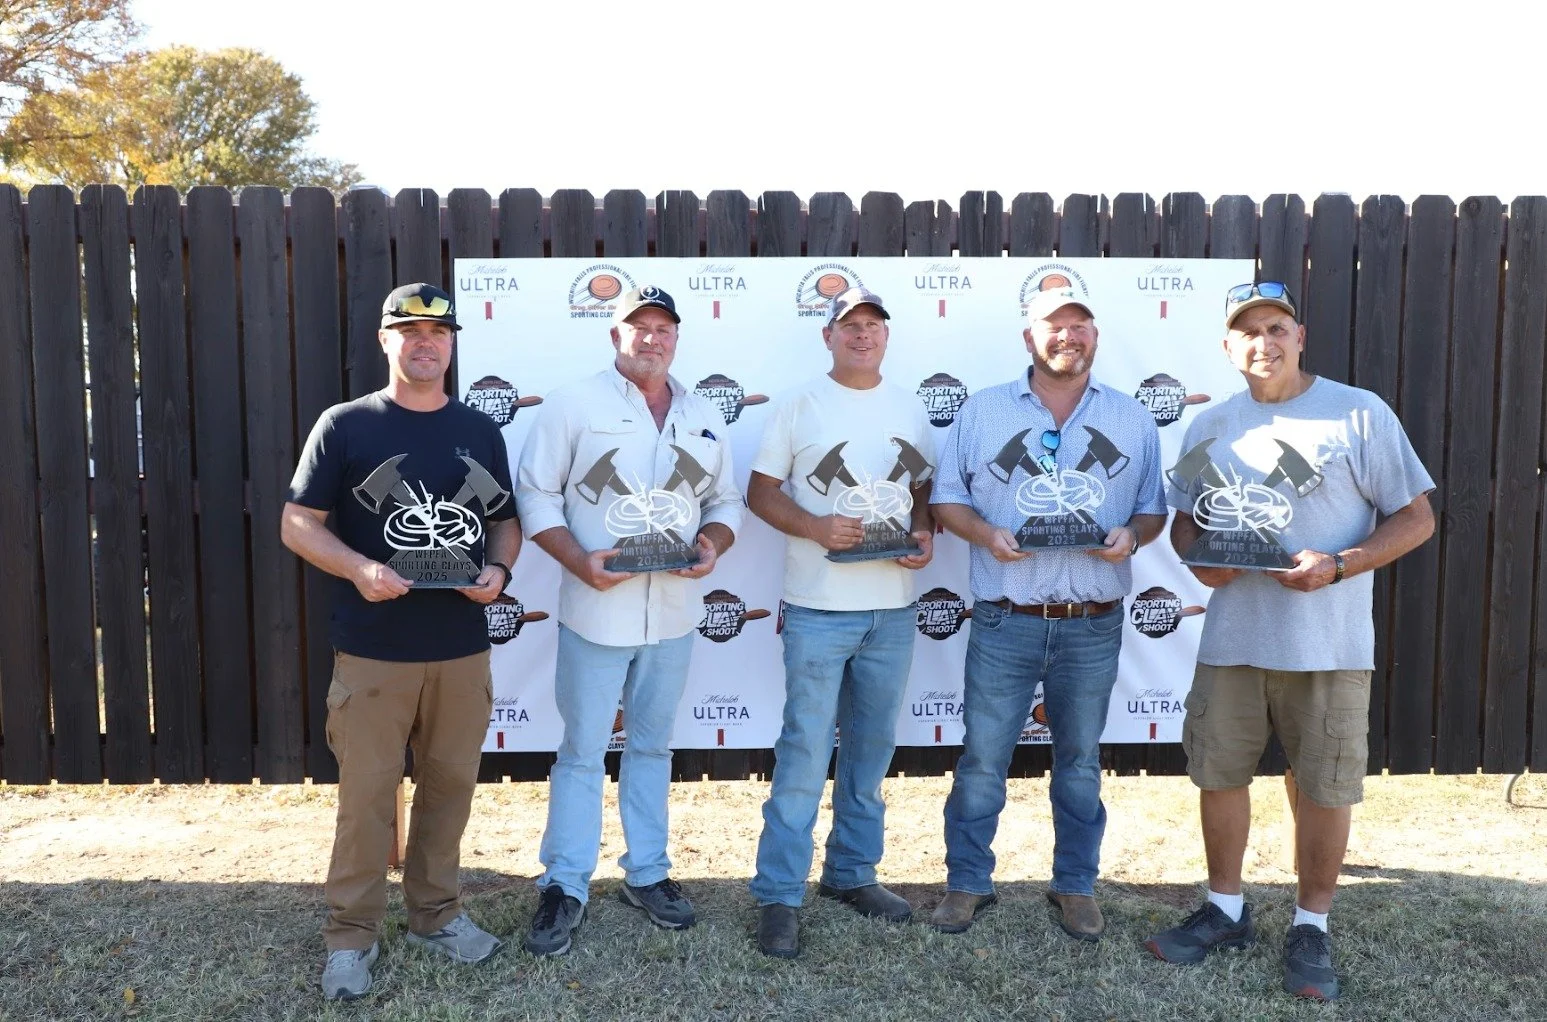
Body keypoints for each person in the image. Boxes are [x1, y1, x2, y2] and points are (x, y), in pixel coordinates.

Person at [1145, 282, 1434, 1001]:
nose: (1262, 343)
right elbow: (1185, 521)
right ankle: (1224, 908)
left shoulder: (1355, 413)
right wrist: (1195, 556)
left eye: (1275, 328)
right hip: (1231, 640)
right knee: (1218, 775)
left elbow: (1416, 518)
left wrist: (1339, 564)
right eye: (1246, 332)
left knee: (1325, 785)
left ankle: (1311, 924)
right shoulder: (1209, 427)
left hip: (1326, 644)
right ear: (1226, 347)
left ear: (1299, 336)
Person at [281, 282, 520, 1001]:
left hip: (459, 647)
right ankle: (350, 936)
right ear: (385, 340)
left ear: (451, 344)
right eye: (409, 330)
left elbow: (506, 519)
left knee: (450, 788)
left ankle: (435, 915)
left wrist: (500, 570)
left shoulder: (479, 430)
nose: (425, 343)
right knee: (366, 799)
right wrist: (358, 569)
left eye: (438, 332)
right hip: (374, 649)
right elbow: (298, 521)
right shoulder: (347, 424)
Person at [928, 288, 1165, 941]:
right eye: (1054, 326)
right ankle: (966, 883)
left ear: (1094, 335)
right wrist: (983, 534)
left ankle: (1074, 884)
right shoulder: (981, 412)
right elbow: (947, 500)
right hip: (1006, 615)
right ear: (1028, 338)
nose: (1069, 336)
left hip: (1093, 617)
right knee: (982, 759)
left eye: (1080, 326)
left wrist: (1133, 536)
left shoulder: (1130, 418)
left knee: (1081, 761)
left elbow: (1151, 507)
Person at [515, 285, 742, 956]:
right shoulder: (572, 404)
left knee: (651, 748)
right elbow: (535, 493)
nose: (651, 337)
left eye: (663, 327)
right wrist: (580, 562)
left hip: (673, 614)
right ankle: (564, 883)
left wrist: (713, 547)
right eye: (636, 326)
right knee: (582, 752)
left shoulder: (702, 413)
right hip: (596, 609)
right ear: (613, 336)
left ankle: (648, 872)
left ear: (677, 337)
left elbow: (724, 500)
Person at [744, 288, 936, 958]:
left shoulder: (909, 406)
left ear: (887, 337)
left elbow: (918, 490)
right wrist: (816, 525)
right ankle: (777, 892)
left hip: (891, 604)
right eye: (849, 326)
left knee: (870, 750)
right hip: (818, 606)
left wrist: (922, 530)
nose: (862, 336)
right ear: (827, 336)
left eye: (873, 326)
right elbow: (760, 492)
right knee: (803, 750)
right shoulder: (799, 404)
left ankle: (852, 873)